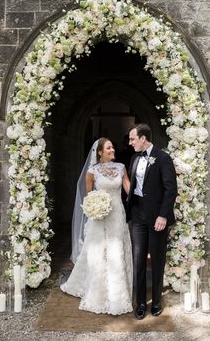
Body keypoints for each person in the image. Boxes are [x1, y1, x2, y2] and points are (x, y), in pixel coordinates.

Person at [60, 137, 133, 315]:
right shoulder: (92, 172)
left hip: (117, 214)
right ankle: (97, 292)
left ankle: (117, 295)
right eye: (109, 147)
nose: (113, 150)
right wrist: (95, 208)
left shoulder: (121, 167)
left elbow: (128, 189)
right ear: (100, 152)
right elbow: (88, 197)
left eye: (113, 147)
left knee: (116, 250)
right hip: (99, 217)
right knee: (98, 252)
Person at [126, 123, 177, 320]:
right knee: (138, 260)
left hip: (157, 218)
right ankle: (140, 303)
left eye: (132, 139)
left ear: (143, 138)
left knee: (156, 260)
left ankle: (155, 301)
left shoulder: (163, 158)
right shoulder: (134, 157)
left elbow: (170, 189)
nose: (130, 143)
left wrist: (163, 215)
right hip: (137, 216)